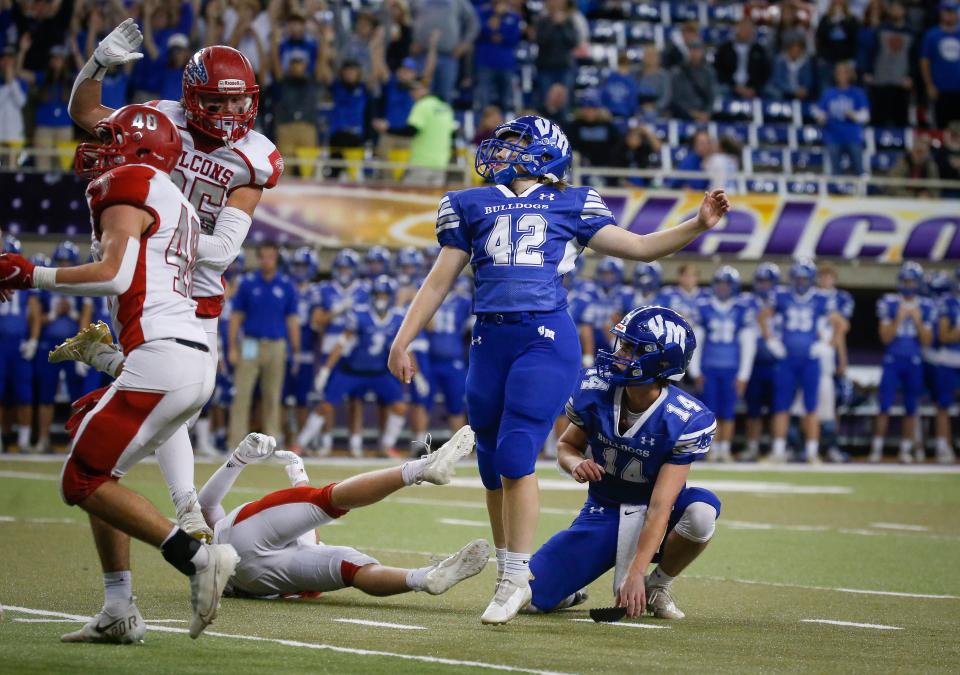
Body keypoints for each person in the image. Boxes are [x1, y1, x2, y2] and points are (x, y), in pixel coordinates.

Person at [388, 114, 730, 625]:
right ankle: (514, 569)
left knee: (516, 447)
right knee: (489, 457)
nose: (501, 152)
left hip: (545, 336)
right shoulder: (468, 203)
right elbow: (439, 281)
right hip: (489, 338)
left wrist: (697, 225)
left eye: (515, 144)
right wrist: (403, 337)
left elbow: (637, 248)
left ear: (546, 153)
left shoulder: (572, 202)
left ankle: (512, 577)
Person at [0, 104, 238, 643]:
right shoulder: (173, 195)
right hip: (185, 356)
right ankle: (118, 608)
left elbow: (114, 275)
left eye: (111, 137)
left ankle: (199, 558)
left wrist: (30, 271)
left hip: (161, 356)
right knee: (100, 473)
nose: (100, 147)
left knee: (79, 480)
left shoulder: (129, 180)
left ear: (140, 146)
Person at [68, 25, 282, 548]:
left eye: (238, 105)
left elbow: (224, 249)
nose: (230, 117)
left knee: (178, 398)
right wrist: (97, 63)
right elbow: (85, 114)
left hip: (198, 280)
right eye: (216, 103)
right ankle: (188, 510)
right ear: (191, 97)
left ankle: (187, 506)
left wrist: (160, 232)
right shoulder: (159, 119)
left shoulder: (255, 155)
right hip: (151, 275)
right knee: (166, 393)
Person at [525, 306, 719, 619]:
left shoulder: (683, 418)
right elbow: (566, 446)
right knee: (529, 598)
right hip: (605, 512)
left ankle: (659, 585)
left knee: (701, 513)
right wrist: (574, 463)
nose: (620, 353)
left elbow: (660, 507)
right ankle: (566, 590)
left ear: (661, 360)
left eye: (632, 348)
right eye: (622, 345)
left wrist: (637, 574)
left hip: (657, 509)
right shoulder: (597, 392)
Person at [198, 428, 487, 599]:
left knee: (355, 570)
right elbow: (206, 506)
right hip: (245, 548)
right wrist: (241, 460)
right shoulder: (218, 535)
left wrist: (295, 482)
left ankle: (424, 578)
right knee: (328, 500)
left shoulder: (212, 552)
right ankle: (421, 469)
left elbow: (307, 534)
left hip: (253, 583)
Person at [317, 275, 408, 458]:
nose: (381, 299)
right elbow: (342, 342)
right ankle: (301, 443)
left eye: (384, 295)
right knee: (326, 405)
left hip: (379, 371)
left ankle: (387, 445)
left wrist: (414, 372)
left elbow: (404, 348)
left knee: (399, 406)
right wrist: (326, 369)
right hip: (353, 370)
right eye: (378, 294)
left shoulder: (398, 316)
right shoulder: (360, 313)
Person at [760, 259, 837, 464]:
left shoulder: (822, 298)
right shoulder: (782, 296)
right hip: (787, 360)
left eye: (804, 278)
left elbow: (838, 325)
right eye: (798, 278)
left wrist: (826, 344)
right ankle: (778, 451)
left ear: (811, 280)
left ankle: (812, 452)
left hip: (810, 360)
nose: (801, 282)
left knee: (811, 407)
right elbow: (763, 317)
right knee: (781, 406)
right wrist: (771, 341)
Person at [228, 242, 300, 449]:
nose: (267, 260)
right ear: (259, 258)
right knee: (242, 393)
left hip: (277, 345)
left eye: (271, 256)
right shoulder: (248, 283)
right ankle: (236, 443)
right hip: (250, 343)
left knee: (272, 395)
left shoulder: (286, 285)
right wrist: (233, 347)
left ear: (276, 259)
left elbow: (292, 320)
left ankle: (271, 445)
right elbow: (236, 317)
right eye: (264, 256)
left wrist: (295, 350)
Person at [296, 249, 367, 456]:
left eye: (348, 268)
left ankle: (356, 441)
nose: (344, 272)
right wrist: (338, 310)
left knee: (357, 397)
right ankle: (326, 440)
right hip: (329, 346)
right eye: (341, 268)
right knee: (328, 397)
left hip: (356, 347)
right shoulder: (324, 290)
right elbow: (317, 321)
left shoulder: (364, 290)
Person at [688, 267, 756, 463]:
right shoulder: (703, 306)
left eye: (727, 284)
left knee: (728, 411)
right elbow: (696, 339)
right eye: (720, 284)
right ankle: (711, 448)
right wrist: (695, 370)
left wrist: (743, 375)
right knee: (709, 413)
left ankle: (724, 449)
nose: (723, 288)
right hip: (709, 368)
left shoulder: (742, 308)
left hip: (731, 368)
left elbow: (748, 343)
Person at [870, 261, 936, 463]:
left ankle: (905, 450)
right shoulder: (889, 303)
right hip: (892, 359)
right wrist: (898, 318)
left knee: (911, 407)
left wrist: (916, 320)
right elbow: (885, 337)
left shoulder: (926, 306)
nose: (908, 284)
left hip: (914, 361)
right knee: (884, 406)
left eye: (911, 281)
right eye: (905, 280)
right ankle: (877, 448)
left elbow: (927, 340)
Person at [0, 235, 40, 453]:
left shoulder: (23, 279)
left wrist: (33, 340)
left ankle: (24, 441)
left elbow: (34, 312)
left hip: (18, 345)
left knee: (24, 395)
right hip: (1, 344)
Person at [741, 263, 782, 461]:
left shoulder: (783, 301)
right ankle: (752, 447)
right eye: (761, 281)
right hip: (755, 363)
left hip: (777, 364)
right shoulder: (747, 301)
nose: (764, 285)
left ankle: (777, 448)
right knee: (753, 409)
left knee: (778, 408)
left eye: (768, 281)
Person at [815, 263, 854, 463]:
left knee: (832, 406)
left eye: (829, 276)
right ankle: (808, 447)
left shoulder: (841, 298)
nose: (825, 280)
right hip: (812, 355)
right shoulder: (811, 296)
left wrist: (842, 357)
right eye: (822, 276)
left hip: (830, 355)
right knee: (807, 406)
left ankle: (830, 446)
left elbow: (843, 327)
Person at [813, 61, 869, 176]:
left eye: (844, 73)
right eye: (839, 73)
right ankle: (836, 191)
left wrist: (854, 115)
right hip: (833, 136)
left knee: (859, 169)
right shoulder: (829, 93)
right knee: (835, 172)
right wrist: (821, 117)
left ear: (850, 75)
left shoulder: (857, 93)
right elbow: (818, 111)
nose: (841, 75)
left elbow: (865, 115)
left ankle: (862, 191)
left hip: (852, 136)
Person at [921, 1, 960, 128]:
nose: (949, 15)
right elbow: (925, 61)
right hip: (940, 89)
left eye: (952, 12)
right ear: (941, 13)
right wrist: (929, 84)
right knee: (940, 127)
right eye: (946, 12)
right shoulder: (932, 35)